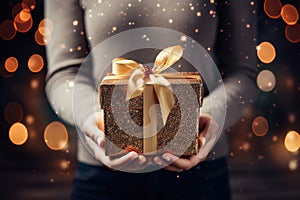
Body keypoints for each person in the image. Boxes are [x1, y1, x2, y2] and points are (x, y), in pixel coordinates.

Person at [44, 0, 258, 199]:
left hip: (199, 172)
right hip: (102, 176)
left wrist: (207, 117)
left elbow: (243, 74)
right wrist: (95, 118)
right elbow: (64, 75)